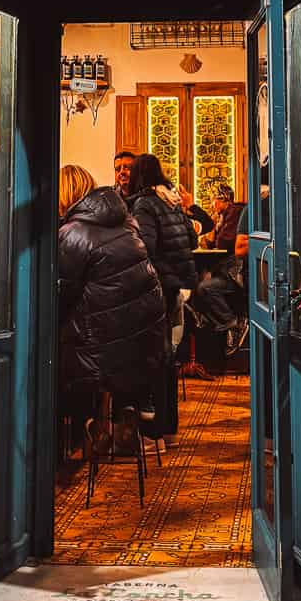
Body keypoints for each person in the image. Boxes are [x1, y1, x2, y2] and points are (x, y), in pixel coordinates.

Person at [57, 164, 167, 449]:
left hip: (104, 350)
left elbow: (61, 294)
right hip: (143, 340)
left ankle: (80, 428)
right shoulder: (125, 222)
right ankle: (119, 410)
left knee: (52, 356)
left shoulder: (73, 232)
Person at [127, 152, 199, 434]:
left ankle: (156, 428)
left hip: (156, 286)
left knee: (155, 356)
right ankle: (168, 426)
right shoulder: (171, 201)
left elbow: (146, 247)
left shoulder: (145, 204)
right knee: (167, 355)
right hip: (176, 284)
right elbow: (193, 237)